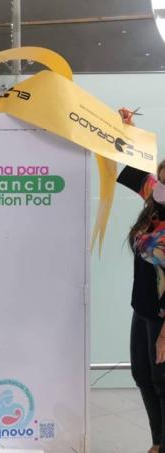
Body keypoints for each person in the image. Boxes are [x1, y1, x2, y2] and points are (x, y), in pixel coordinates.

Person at [118, 109, 165, 453]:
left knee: (162, 380)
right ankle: (157, 442)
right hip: (143, 307)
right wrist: (127, 129)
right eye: (160, 179)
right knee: (142, 375)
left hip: (163, 317)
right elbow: (135, 168)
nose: (159, 185)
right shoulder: (155, 202)